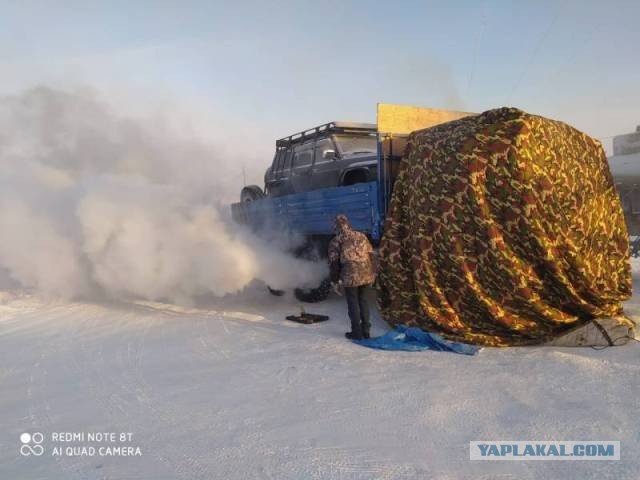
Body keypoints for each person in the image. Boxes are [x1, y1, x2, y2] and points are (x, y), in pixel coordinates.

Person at [328, 214, 376, 340]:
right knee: (363, 301)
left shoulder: (336, 241)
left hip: (351, 276)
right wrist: (373, 272)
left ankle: (356, 332)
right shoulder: (361, 236)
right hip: (366, 273)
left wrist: (334, 281)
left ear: (336, 227)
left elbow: (334, 264)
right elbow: (371, 255)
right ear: (349, 224)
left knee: (353, 303)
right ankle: (366, 331)